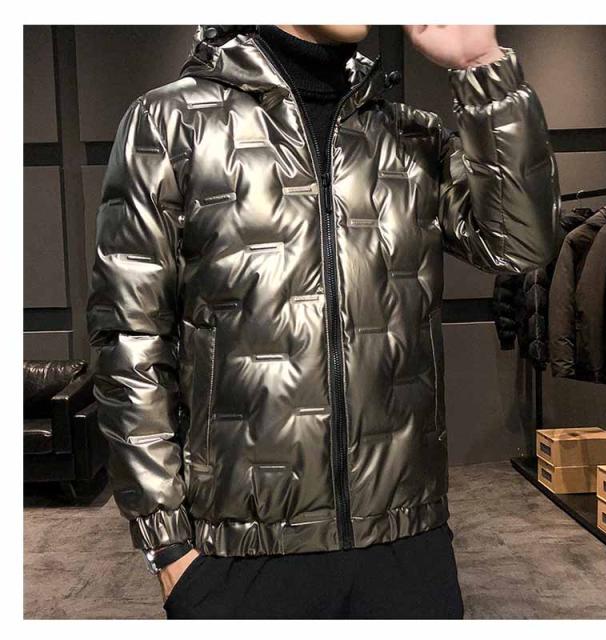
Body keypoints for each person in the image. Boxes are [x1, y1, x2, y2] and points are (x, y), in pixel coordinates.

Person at [86, 24, 559, 619]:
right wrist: (169, 548)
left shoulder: (409, 134)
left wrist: (483, 67)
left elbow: (521, 247)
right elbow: (130, 341)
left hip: (407, 543)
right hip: (241, 554)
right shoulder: (172, 122)